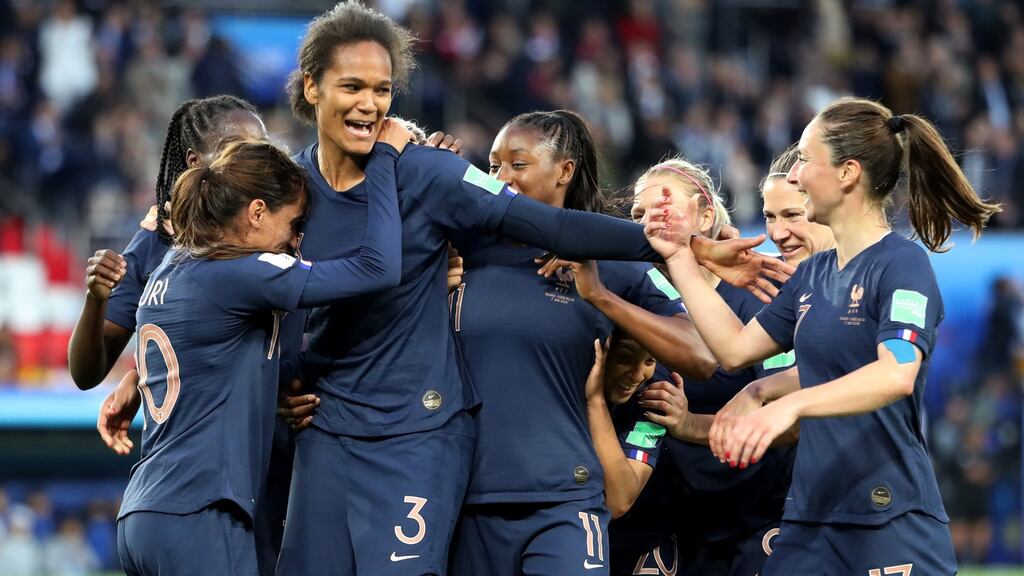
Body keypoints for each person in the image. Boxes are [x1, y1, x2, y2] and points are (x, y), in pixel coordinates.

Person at [275, 4, 787, 575]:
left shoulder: (438, 180)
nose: (370, 104)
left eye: (382, 89)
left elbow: (558, 228)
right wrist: (284, 383)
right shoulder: (296, 192)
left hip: (449, 449)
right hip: (343, 438)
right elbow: (270, 300)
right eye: (353, 87)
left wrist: (681, 253)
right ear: (311, 87)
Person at [645, 97, 1001, 574]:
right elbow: (733, 349)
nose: (795, 176)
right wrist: (680, 258)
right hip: (808, 521)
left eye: (806, 160)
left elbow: (895, 373)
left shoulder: (902, 264)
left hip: (888, 519)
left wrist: (789, 404)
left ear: (848, 173)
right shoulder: (812, 275)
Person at [114, 130, 408, 575]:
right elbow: (378, 269)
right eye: (295, 224)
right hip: (201, 511)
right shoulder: (241, 272)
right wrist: (385, 158)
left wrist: (279, 388)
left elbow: (216, 363)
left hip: (145, 512)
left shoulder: (172, 267)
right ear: (256, 212)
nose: (296, 241)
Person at [446, 110, 714, 576]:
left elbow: (702, 355)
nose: (501, 178)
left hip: (565, 501)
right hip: (466, 498)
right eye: (493, 166)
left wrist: (601, 296)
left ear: (564, 171)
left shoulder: (610, 261)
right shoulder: (462, 249)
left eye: (518, 164)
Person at [582, 157, 796, 576]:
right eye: (638, 215)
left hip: (754, 515)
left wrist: (690, 425)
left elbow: (784, 418)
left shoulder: (756, 299)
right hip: (667, 519)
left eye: (664, 208)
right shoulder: (635, 297)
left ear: (705, 214)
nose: (650, 222)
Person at [68, 95, 268, 392]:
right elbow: (86, 374)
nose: (254, 161)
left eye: (262, 149)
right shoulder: (156, 242)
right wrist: (96, 299)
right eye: (234, 149)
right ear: (195, 161)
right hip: (189, 420)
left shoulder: (286, 227)